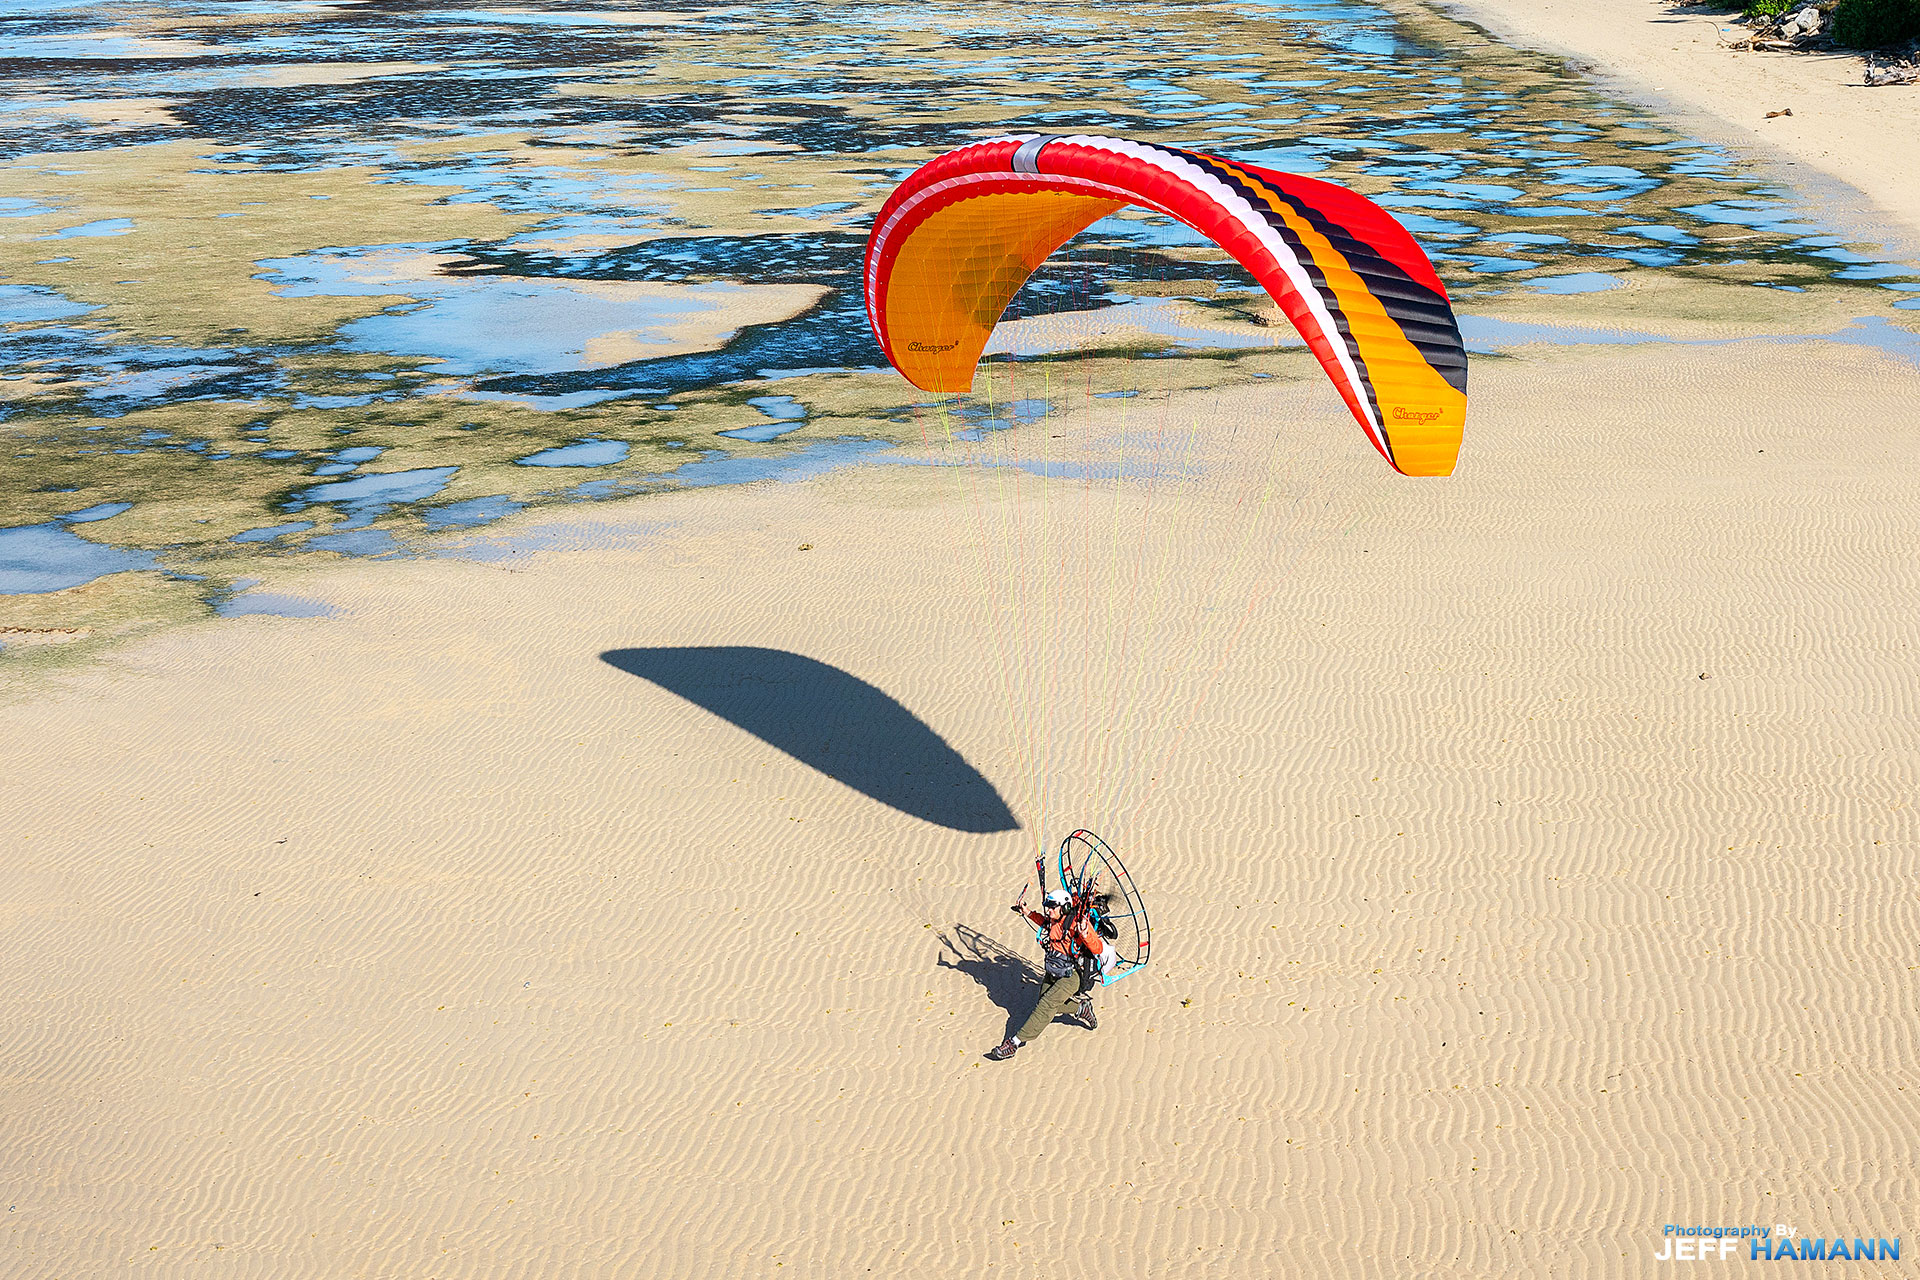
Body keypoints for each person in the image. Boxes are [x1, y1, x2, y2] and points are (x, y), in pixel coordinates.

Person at [985, 887, 1115, 1060]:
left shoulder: (1077, 924)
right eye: (1048, 906)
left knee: (1045, 1005)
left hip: (1073, 975)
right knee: (1045, 1002)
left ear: (1064, 908)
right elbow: (1044, 922)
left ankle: (1013, 1043)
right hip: (1054, 970)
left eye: (1052, 907)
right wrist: (1028, 912)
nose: (1048, 909)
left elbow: (1097, 947)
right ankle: (1080, 1008)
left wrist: (1085, 935)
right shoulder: (1054, 920)